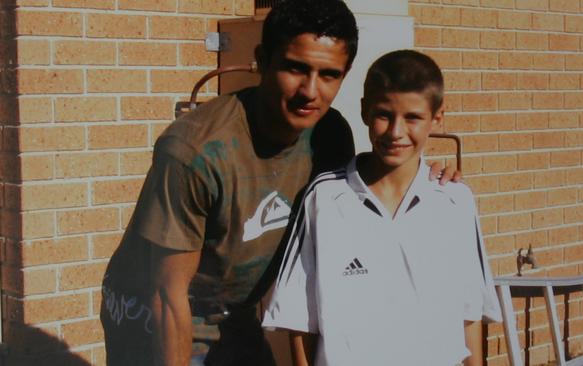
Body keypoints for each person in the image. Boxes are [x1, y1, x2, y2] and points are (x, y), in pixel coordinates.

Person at [100, 1, 458, 365]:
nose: (310, 91)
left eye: (329, 74)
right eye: (295, 68)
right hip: (150, 309)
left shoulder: (330, 137)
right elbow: (166, 293)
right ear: (263, 59)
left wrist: (430, 179)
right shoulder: (195, 151)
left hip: (232, 311)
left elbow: (369, 190)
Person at [262, 50, 502, 366]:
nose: (395, 132)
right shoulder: (324, 199)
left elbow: (468, 316)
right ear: (364, 111)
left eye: (413, 118)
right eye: (384, 115)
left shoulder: (455, 201)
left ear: (437, 116)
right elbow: (300, 322)